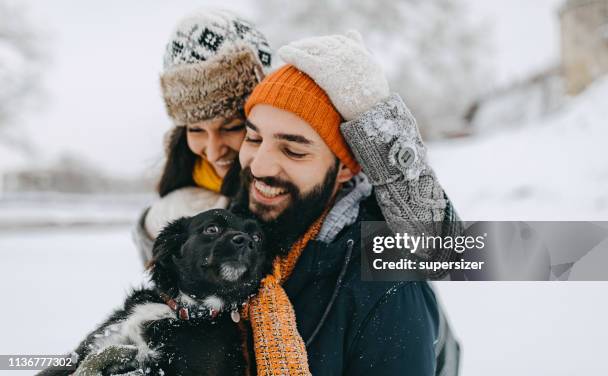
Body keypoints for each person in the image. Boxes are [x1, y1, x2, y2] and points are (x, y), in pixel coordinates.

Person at [73, 29, 461, 376]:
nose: (259, 165)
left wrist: (381, 126)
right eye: (254, 138)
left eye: (293, 151)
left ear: (344, 169)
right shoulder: (239, 226)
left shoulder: (384, 288)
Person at [132, 9, 272, 264]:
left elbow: (370, 271)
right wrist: (153, 229)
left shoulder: (292, 189)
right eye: (195, 129)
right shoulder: (174, 204)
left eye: (231, 127)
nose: (214, 150)